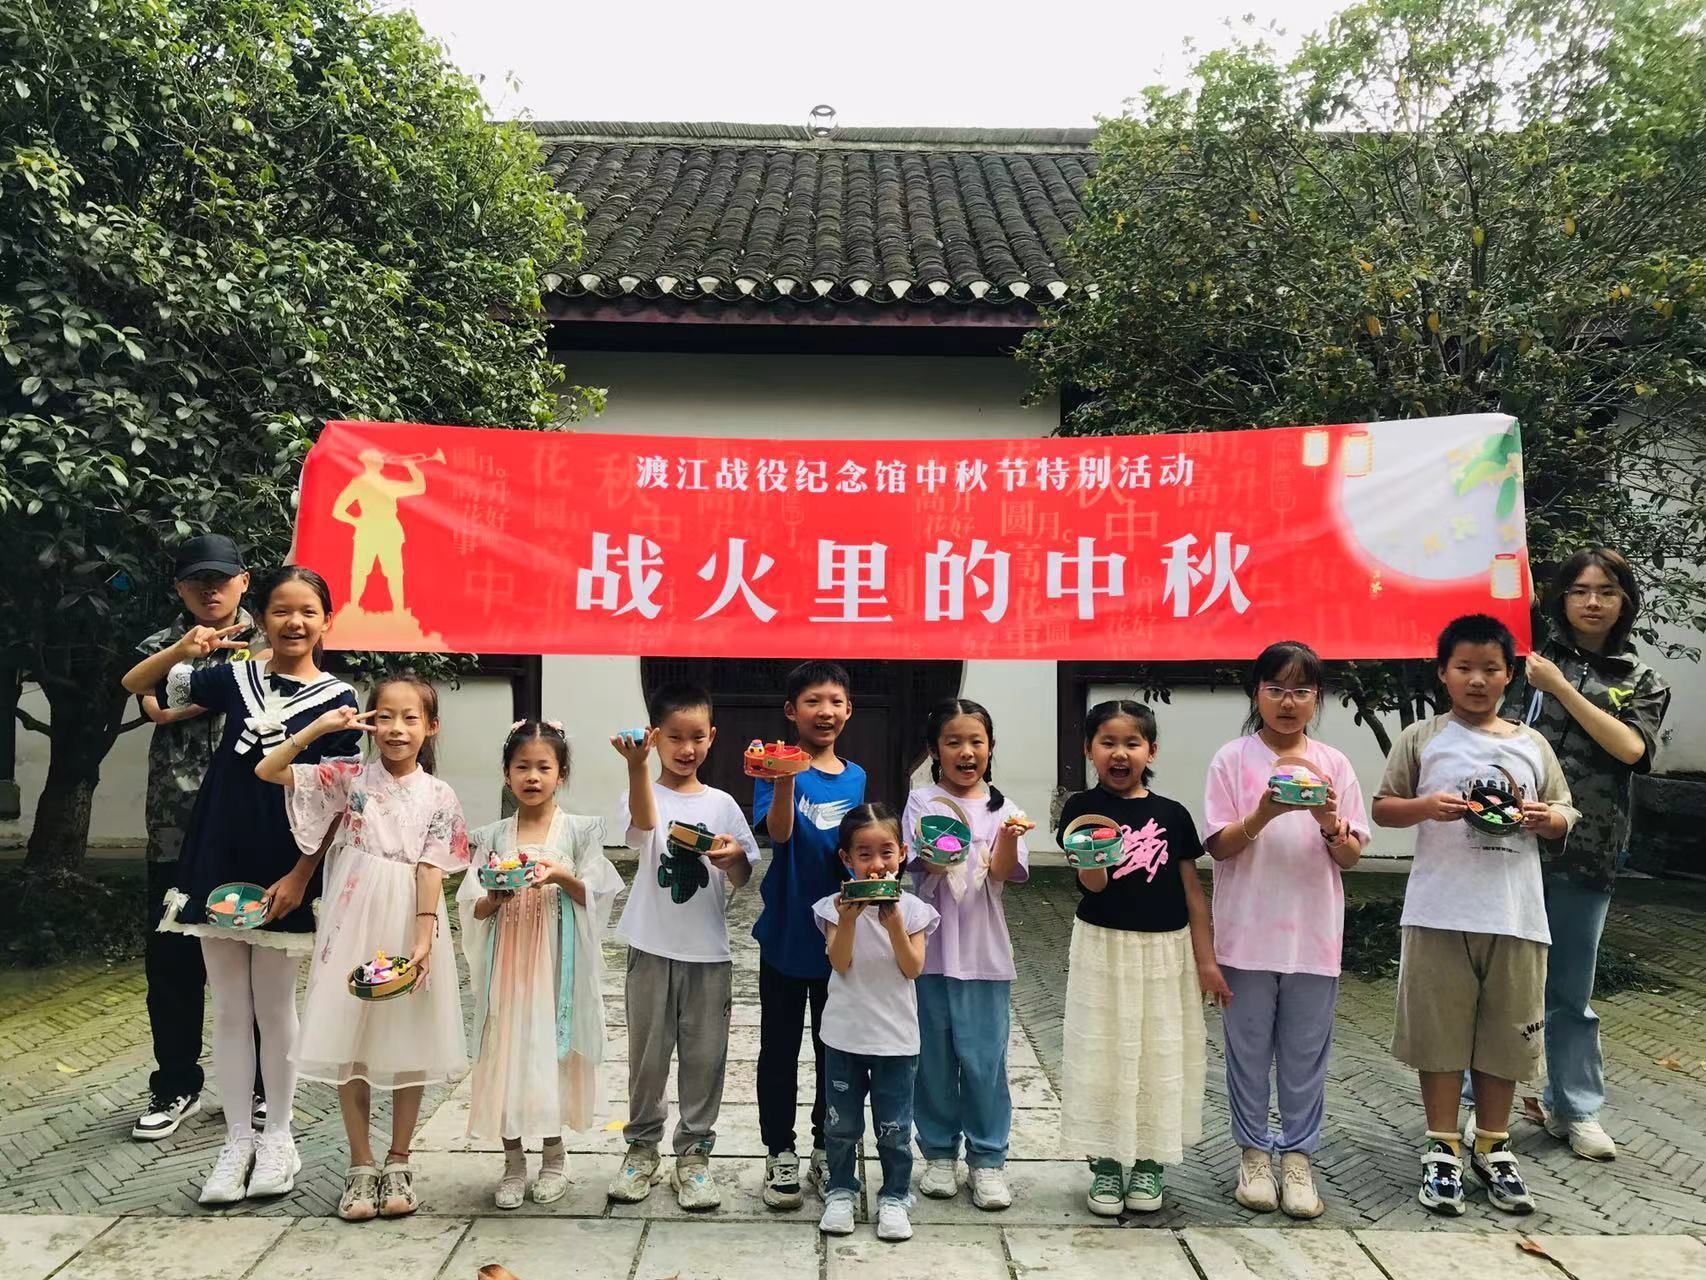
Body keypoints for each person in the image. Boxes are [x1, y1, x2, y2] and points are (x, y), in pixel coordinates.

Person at [121, 566, 361, 1206]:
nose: (294, 623)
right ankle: (235, 1144)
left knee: (275, 1005)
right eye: (281, 610)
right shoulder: (234, 677)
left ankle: (278, 1137)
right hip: (216, 853)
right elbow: (137, 684)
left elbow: (337, 803)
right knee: (229, 1006)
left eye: (308, 611)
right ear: (262, 618)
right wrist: (184, 648)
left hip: (284, 862)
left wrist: (302, 874)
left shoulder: (340, 700)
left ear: (326, 621)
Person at [1373, 614, 1578, 1218]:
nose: (1477, 679)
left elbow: (1565, 810)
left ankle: (1493, 1145)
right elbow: (1384, 808)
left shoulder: (1531, 744)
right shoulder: (1422, 738)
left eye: (1491, 668)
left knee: (1506, 1037)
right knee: (1439, 1037)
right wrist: (1424, 807)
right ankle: (1442, 1148)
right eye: (1463, 667)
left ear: (1510, 674)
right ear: (1442, 672)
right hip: (1439, 911)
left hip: (1516, 915)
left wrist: (1547, 819)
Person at [255, 673, 468, 1220]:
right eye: (385, 716)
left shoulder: (439, 794)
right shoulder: (347, 777)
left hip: (410, 918)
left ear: (431, 727)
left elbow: (431, 867)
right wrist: (320, 728)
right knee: (350, 1034)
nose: (397, 729)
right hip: (351, 919)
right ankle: (360, 1163)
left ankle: (399, 1159)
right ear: (370, 722)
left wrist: (423, 936)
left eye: (410, 718)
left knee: (410, 1034)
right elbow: (268, 769)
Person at [1494, 550, 1670, 1160]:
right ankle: (1473, 1104)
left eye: (1607, 591)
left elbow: (1630, 749)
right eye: (1580, 590)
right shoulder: (1523, 659)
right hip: (1507, 844)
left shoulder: (1639, 679)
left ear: (1625, 602)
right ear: (1560, 597)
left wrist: (1563, 689)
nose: (1592, 602)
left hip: (1587, 850)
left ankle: (1575, 1108)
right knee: (1493, 981)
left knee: (1569, 989)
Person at [1202, 641, 1368, 1219]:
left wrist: (1328, 821)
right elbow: (1218, 845)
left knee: (1304, 1056)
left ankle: (1297, 1158)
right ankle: (1253, 1155)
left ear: (1317, 698)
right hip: (1245, 936)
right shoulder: (1231, 760)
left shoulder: (1334, 764)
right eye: (1276, 689)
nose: (1288, 702)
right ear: (1257, 693)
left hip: (1313, 937)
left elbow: (1350, 856)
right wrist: (1264, 813)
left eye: (1301, 691)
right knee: (1246, 1053)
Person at [1056, 700, 1229, 1218]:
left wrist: (1207, 961)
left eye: (1132, 743)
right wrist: (1092, 859)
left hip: (1165, 952)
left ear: (1151, 751)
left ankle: (1151, 1162)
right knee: (1102, 1052)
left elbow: (1193, 893)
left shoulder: (1172, 814)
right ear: (1089, 749)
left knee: (1160, 1055)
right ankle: (1106, 1163)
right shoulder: (1080, 808)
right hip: (1102, 947)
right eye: (1107, 742)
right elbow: (1091, 885)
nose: (1119, 753)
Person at [131, 534, 264, 1141]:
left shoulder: (273, 640)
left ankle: (262, 1084)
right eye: (196, 581)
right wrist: (185, 661)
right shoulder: (162, 646)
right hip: (176, 829)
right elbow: (144, 693)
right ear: (179, 588)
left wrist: (183, 697)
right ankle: (175, 1084)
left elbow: (165, 704)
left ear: (243, 580)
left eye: (221, 578)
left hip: (249, 826)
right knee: (173, 964)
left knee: (256, 958)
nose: (210, 590)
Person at [457, 720, 622, 1209]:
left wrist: (563, 877)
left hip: (556, 962)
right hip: (508, 962)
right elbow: (471, 906)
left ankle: (554, 1156)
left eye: (543, 767)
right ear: (506, 774)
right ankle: (512, 1161)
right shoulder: (492, 836)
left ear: (561, 774)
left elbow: (599, 893)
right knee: (506, 1050)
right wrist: (493, 897)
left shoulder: (579, 831)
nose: (533, 777)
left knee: (551, 1050)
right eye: (522, 767)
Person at [607, 685, 760, 1211]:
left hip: (708, 954)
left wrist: (733, 859)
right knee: (647, 1059)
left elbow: (744, 876)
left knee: (705, 1058)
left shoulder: (723, 804)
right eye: (674, 737)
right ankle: (641, 1149)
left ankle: (694, 1155)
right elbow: (643, 827)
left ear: (712, 737)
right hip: (651, 947)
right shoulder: (644, 793)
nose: (686, 748)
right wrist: (636, 767)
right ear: (656, 738)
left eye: (697, 737)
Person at [903, 698, 1030, 1211]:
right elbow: (923, 866)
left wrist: (1008, 839)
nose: (966, 752)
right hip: (929, 952)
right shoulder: (921, 802)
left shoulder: (1005, 809)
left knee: (983, 1061)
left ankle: (988, 1159)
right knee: (932, 1060)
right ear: (935, 749)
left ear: (991, 747)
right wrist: (940, 850)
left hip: (983, 953)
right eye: (953, 741)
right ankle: (938, 1153)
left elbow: (1002, 873)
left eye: (976, 741)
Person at [752, 661, 866, 1209]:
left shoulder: (857, 777)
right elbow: (779, 833)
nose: (825, 712)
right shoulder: (772, 768)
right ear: (791, 711)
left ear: (849, 710)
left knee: (834, 1051)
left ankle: (827, 1148)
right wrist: (784, 778)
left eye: (835, 701)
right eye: (813, 701)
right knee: (778, 1050)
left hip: (837, 939)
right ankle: (779, 1151)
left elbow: (860, 848)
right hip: (783, 934)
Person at [814, 803, 940, 1243]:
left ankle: (895, 1195)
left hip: (896, 1040)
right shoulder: (832, 908)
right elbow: (839, 961)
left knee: (894, 1128)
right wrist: (849, 919)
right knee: (841, 1125)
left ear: (902, 853)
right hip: (845, 1035)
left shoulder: (915, 910)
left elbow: (912, 967)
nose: (876, 864)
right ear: (846, 858)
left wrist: (895, 925)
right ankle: (841, 1190)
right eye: (864, 854)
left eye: (886, 852)